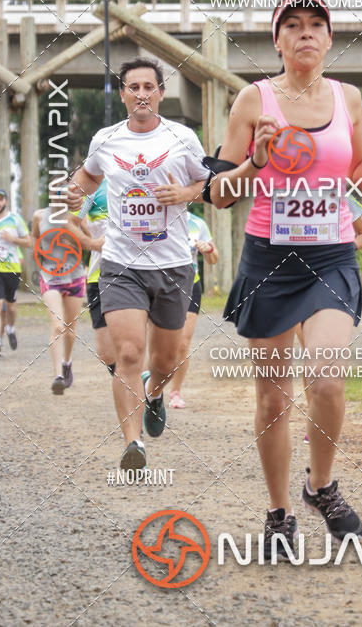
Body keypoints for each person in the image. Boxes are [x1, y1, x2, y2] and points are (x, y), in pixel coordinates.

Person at [209, 0, 362, 557]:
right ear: (277, 40)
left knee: (326, 378)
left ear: (329, 38)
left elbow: (355, 180)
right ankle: (279, 512)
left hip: (330, 256)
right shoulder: (253, 99)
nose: (305, 34)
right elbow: (219, 194)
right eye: (292, 25)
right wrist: (256, 163)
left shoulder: (350, 99)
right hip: (270, 258)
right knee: (273, 398)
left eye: (316, 24)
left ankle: (321, 486)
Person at [66, 57, 208, 473]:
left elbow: (209, 184)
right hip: (121, 263)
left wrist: (183, 193)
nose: (142, 94)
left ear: (161, 93)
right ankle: (133, 443)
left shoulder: (182, 138)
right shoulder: (106, 140)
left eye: (150, 87)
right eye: (134, 87)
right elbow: (87, 180)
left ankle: (157, 392)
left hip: (173, 265)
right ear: (124, 93)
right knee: (129, 353)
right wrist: (75, 195)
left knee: (165, 361)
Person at [297, 195, 362, 443]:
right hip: (298, 281)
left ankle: (324, 417)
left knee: (325, 356)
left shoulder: (344, 198)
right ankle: (314, 420)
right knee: (310, 355)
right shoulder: (291, 197)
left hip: (333, 278)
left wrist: (339, 250)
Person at [167, 211, 218, 409]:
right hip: (158, 286)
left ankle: (175, 392)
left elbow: (214, 258)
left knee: (182, 343)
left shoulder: (197, 223)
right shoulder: (157, 217)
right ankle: (149, 389)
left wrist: (208, 248)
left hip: (190, 286)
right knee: (157, 343)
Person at [32, 205, 85, 394]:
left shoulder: (76, 217)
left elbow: (91, 241)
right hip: (50, 276)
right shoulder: (39, 216)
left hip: (75, 276)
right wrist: (36, 251)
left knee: (70, 330)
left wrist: (78, 242)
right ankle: (58, 376)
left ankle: (67, 362)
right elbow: (34, 238)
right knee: (58, 326)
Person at [68, 178, 117, 375]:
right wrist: (92, 244)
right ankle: (136, 387)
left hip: (138, 273)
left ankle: (144, 396)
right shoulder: (93, 190)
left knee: (133, 348)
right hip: (100, 276)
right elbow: (70, 223)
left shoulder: (144, 180)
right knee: (106, 352)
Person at [0, 189, 31, 357]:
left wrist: (12, 239)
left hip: (13, 270)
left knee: (11, 308)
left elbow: (29, 242)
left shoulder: (15, 220)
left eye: (0, 199)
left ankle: (10, 327)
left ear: (6, 201)